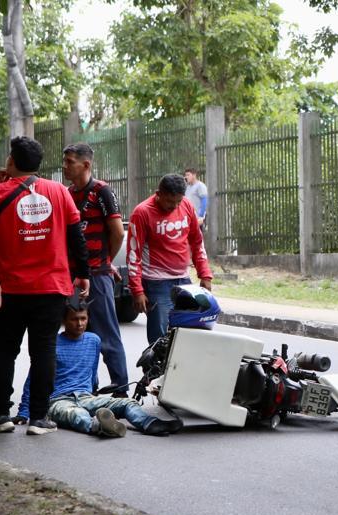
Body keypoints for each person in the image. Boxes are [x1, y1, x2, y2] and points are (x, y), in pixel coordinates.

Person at [0, 136, 89, 436]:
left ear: (11, 161)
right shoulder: (58, 191)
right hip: (51, 286)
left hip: (9, 288)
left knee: (4, 350)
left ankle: (1, 414)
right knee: (44, 350)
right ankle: (39, 419)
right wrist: (83, 273)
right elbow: (75, 236)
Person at [15, 295, 176, 437]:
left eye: (83, 319)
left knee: (127, 403)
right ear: (63, 321)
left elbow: (92, 371)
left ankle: (150, 424)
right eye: (74, 319)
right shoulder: (52, 344)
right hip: (58, 401)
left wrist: (94, 393)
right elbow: (33, 380)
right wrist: (23, 412)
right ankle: (98, 426)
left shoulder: (93, 340)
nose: (79, 324)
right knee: (76, 414)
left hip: (86, 397)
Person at [62, 142, 128, 396]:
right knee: (80, 333)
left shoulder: (102, 192)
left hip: (98, 275)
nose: (65, 166)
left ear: (86, 164)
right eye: (65, 161)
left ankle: (121, 389)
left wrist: (105, 261)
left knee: (107, 333)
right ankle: (87, 387)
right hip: (74, 275)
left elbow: (118, 232)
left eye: (70, 162)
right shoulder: (67, 194)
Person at [128, 173, 213, 344]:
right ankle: (155, 370)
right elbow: (133, 255)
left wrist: (205, 274)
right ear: (158, 193)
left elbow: (197, 242)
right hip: (156, 284)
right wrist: (137, 290)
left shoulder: (187, 206)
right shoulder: (142, 213)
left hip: (184, 280)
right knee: (159, 339)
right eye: (169, 201)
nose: (174, 206)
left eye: (178, 202)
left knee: (187, 334)